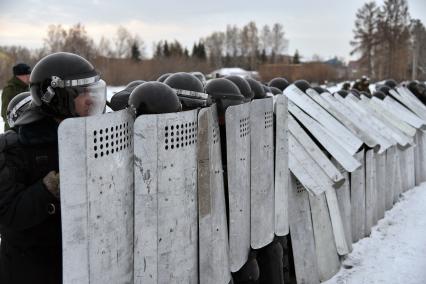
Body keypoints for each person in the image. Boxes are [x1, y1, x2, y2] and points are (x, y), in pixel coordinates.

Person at [0, 52, 106, 284]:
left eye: (92, 91)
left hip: (81, 266)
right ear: (59, 97)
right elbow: (8, 216)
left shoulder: (94, 136)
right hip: (31, 271)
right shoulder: (15, 148)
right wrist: (48, 188)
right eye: (82, 92)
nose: (90, 99)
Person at [1, 63, 31, 131]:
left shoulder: (28, 87)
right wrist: (15, 127)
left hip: (27, 129)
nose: (28, 77)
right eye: (26, 75)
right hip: (13, 130)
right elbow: (5, 112)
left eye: (29, 75)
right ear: (18, 76)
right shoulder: (9, 89)